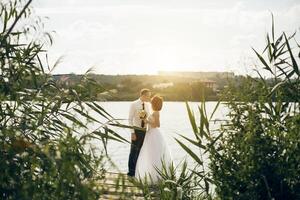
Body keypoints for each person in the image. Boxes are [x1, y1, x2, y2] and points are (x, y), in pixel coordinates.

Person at [135, 95, 173, 183]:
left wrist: (147, 120)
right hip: (151, 134)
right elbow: (150, 123)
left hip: (154, 134)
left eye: (151, 102)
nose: (151, 104)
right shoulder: (154, 112)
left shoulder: (156, 113)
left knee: (154, 154)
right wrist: (144, 118)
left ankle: (156, 176)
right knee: (151, 155)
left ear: (154, 104)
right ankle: (153, 175)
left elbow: (157, 125)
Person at [127, 88, 151, 177]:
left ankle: (138, 171)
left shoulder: (148, 105)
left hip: (144, 131)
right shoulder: (134, 104)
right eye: (148, 96)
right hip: (136, 130)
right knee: (133, 151)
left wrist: (147, 121)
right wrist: (132, 132)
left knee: (141, 152)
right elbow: (129, 119)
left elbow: (148, 118)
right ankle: (131, 172)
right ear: (143, 95)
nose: (149, 97)